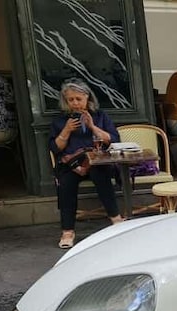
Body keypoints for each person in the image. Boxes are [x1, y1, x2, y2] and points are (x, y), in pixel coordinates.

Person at [48, 79, 123, 249]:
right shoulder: (60, 121)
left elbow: (114, 139)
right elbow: (55, 148)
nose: (75, 103)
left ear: (87, 98)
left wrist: (93, 127)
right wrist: (66, 130)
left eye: (78, 99)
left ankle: (115, 218)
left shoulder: (99, 116)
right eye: (71, 100)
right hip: (71, 164)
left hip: (97, 161)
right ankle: (67, 231)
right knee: (66, 183)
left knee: (100, 173)